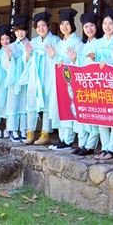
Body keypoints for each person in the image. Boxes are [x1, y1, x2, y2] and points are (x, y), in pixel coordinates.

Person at [20, 11, 60, 145]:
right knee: (31, 103)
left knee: (48, 104)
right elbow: (26, 61)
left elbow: (60, 60)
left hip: (49, 76)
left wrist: (54, 55)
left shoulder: (55, 40)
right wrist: (28, 53)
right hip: (35, 76)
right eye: (38, 27)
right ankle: (30, 132)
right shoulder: (34, 41)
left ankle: (45, 133)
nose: (41, 28)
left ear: (47, 26)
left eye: (43, 25)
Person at [49, 8, 82, 151]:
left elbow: (79, 62)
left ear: (72, 25)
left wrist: (73, 60)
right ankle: (61, 138)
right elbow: (56, 62)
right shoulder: (59, 43)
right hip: (59, 80)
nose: (64, 27)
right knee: (60, 107)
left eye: (67, 24)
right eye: (62, 24)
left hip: (70, 81)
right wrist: (53, 57)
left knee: (69, 108)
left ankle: (68, 140)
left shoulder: (77, 41)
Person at [94, 8, 113, 160]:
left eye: (110, 23)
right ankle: (105, 146)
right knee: (101, 115)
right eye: (105, 23)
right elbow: (90, 61)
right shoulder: (98, 42)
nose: (107, 26)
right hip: (100, 83)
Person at [71, 12, 101, 156]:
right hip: (81, 85)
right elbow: (77, 66)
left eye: (91, 26)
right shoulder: (81, 46)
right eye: (86, 27)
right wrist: (74, 59)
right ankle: (82, 143)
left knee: (93, 115)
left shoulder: (99, 43)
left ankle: (90, 145)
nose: (89, 29)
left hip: (94, 85)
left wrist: (95, 58)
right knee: (81, 115)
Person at [4, 15, 30, 142]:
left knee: (25, 105)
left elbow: (32, 62)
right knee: (13, 104)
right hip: (14, 79)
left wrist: (28, 54)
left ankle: (24, 129)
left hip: (26, 78)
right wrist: (9, 58)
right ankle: (13, 130)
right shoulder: (11, 46)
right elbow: (5, 66)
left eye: (23, 30)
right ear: (14, 32)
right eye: (17, 30)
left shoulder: (30, 44)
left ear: (27, 31)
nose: (20, 33)